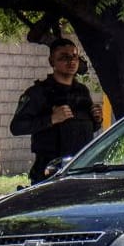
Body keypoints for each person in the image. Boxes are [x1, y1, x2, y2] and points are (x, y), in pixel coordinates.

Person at [10, 38, 103, 185]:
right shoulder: (38, 93)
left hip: (80, 168)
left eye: (74, 57)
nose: (71, 61)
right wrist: (51, 119)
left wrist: (97, 119)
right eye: (64, 57)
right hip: (50, 170)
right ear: (52, 61)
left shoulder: (82, 91)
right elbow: (17, 127)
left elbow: (89, 128)